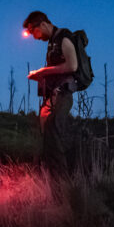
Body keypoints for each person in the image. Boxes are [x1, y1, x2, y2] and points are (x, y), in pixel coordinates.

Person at [23, 10, 78, 176]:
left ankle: (63, 188)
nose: (35, 37)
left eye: (34, 32)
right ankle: (49, 182)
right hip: (52, 96)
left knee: (53, 133)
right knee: (46, 136)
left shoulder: (64, 37)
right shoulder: (52, 42)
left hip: (63, 94)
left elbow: (72, 66)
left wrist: (42, 72)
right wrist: (41, 75)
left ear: (43, 24)